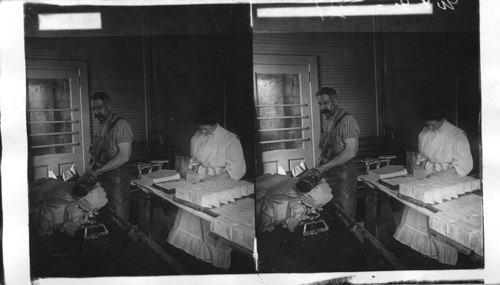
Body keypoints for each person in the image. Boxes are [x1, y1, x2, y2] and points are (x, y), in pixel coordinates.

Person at [393, 100, 473, 265]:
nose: (429, 128)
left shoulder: (457, 135)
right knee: (418, 215)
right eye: (426, 124)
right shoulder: (424, 133)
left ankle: (442, 261)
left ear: (442, 118)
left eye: (432, 124)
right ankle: (425, 254)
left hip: (446, 185)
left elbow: (463, 167)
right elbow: (422, 156)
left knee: (438, 224)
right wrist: (420, 163)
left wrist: (439, 174)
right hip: (426, 182)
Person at [167, 106, 246, 269]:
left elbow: (237, 171)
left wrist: (212, 178)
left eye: (204, 126)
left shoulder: (230, 139)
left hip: (220, 188)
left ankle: (211, 265)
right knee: (192, 221)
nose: (201, 129)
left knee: (211, 229)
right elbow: (194, 161)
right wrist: (192, 168)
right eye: (199, 126)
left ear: (214, 122)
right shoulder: (196, 137)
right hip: (198, 185)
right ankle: (195, 261)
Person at [311, 87, 360, 218]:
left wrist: (324, 167)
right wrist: (319, 165)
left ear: (335, 101)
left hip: (343, 175)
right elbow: (325, 148)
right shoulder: (328, 120)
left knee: (344, 213)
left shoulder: (347, 121)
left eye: (325, 103)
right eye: (320, 104)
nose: (322, 108)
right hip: (329, 172)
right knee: (329, 211)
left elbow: (350, 152)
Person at [88, 91, 133, 220]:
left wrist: (99, 171)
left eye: (99, 108)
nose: (96, 113)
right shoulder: (101, 124)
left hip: (116, 181)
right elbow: (104, 147)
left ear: (109, 106)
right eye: (93, 109)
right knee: (103, 215)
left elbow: (124, 156)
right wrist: (94, 150)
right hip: (102, 177)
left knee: (118, 218)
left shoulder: (121, 125)